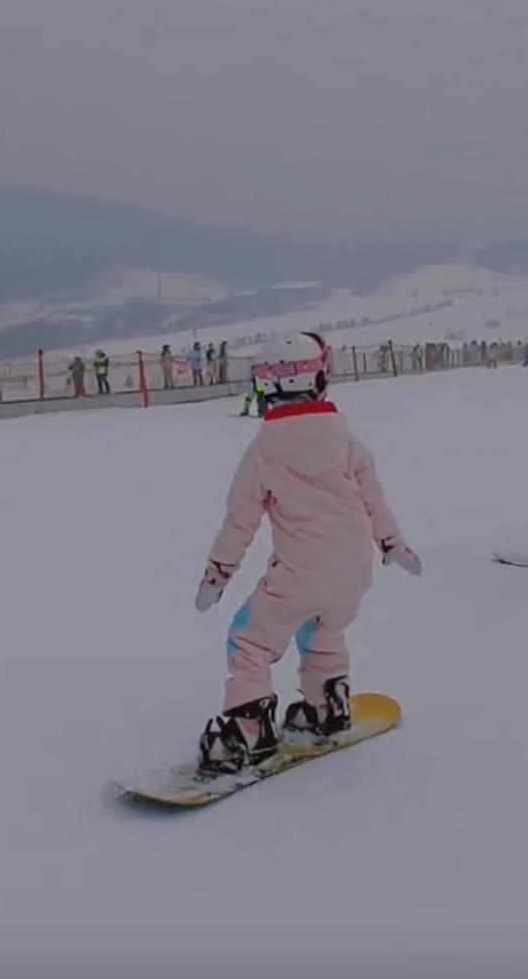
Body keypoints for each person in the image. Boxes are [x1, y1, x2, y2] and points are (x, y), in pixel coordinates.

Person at [193, 331, 422, 774]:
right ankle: (326, 706)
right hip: (355, 571)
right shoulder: (347, 441)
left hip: (300, 573)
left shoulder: (262, 452)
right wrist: (393, 543)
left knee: (249, 640)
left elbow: (239, 522)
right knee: (323, 633)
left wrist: (217, 574)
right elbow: (373, 499)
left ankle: (247, 730)